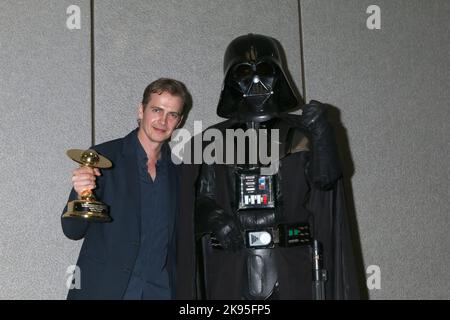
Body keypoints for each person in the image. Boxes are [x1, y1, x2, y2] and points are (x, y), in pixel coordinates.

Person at [176, 34, 360, 299]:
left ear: (279, 75)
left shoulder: (301, 135)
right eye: (243, 72)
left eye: (264, 70)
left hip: (293, 268)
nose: (255, 81)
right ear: (230, 81)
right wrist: (213, 218)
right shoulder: (208, 143)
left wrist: (322, 138)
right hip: (231, 269)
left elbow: (326, 183)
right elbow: (193, 204)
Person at [62, 77, 191, 299]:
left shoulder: (179, 174)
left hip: (159, 292)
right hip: (104, 291)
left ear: (179, 121)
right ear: (141, 111)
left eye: (172, 114)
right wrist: (80, 190)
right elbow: (72, 231)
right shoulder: (104, 158)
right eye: (157, 110)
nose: (163, 121)